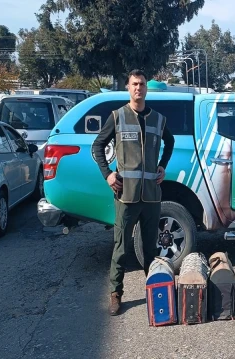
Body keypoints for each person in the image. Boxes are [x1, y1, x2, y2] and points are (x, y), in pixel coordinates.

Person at [91, 69, 175, 316]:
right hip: (125, 196)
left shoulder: (158, 119)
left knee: (151, 249)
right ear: (128, 87)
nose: (138, 88)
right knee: (121, 248)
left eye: (142, 84)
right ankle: (116, 294)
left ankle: (154, 292)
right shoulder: (117, 117)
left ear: (147, 88)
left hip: (151, 196)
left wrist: (163, 165)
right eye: (134, 84)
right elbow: (97, 145)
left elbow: (169, 143)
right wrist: (107, 173)